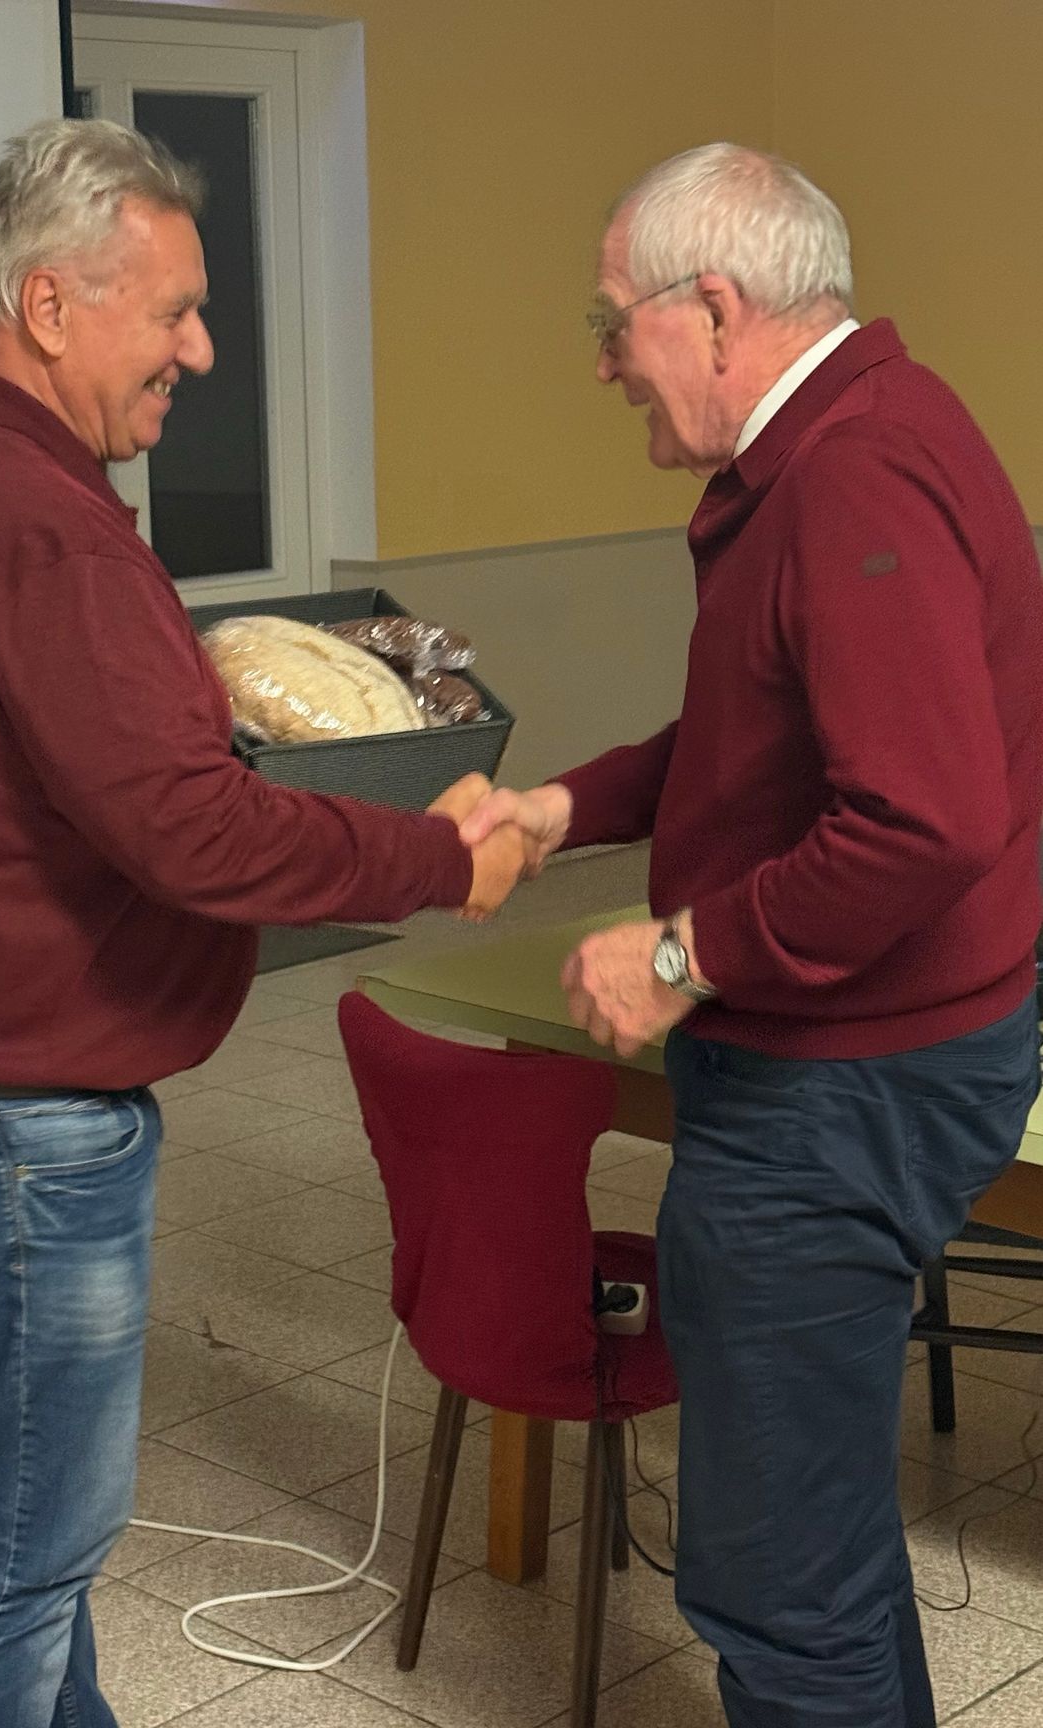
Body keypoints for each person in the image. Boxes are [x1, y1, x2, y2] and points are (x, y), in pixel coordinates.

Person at [0, 118, 525, 1728]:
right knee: (13, 1560)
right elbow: (188, 830)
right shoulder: (34, 520)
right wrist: (432, 857)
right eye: (174, 311)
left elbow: (103, 776)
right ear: (50, 305)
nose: (198, 351)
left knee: (24, 1540)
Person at [462, 142, 1043, 1727]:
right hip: (861, 1072)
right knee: (820, 1552)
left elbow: (921, 820)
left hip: (838, 1094)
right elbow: (757, 733)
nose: (602, 365)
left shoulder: (854, 477)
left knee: (778, 1583)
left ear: (712, 310)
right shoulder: (857, 434)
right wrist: (559, 809)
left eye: (611, 325)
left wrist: (676, 957)